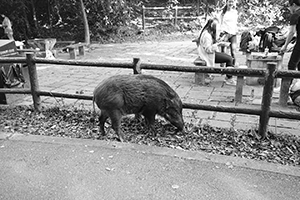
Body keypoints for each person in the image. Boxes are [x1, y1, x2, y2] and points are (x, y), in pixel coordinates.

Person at [196, 18, 236, 85]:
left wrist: (220, 42)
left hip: (209, 53)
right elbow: (208, 49)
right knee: (229, 59)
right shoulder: (207, 35)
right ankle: (229, 78)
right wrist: (218, 44)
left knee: (229, 58)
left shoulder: (208, 32)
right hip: (207, 55)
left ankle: (229, 76)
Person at [280, 0, 300, 106]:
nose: (290, 9)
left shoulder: (295, 14)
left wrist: (285, 46)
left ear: (293, 5)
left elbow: (292, 32)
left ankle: (285, 94)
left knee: (291, 66)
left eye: (289, 7)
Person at [218, 0, 238, 66]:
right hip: (225, 33)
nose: (231, 3)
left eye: (232, 2)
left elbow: (235, 23)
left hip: (233, 33)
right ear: (226, 2)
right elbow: (219, 23)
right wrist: (220, 33)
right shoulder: (223, 13)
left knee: (233, 52)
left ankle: (233, 67)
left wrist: (236, 30)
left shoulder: (235, 12)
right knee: (223, 52)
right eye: (229, 2)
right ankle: (222, 68)